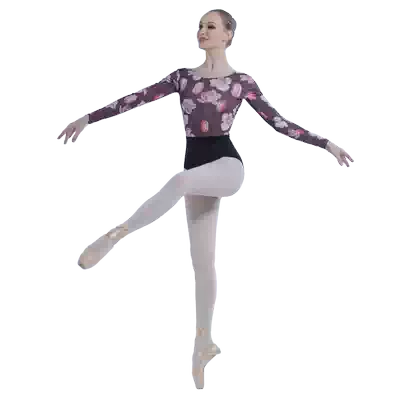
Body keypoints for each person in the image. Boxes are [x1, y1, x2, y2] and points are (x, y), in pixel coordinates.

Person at [58, 8, 354, 391]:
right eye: (200, 26)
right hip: (196, 167)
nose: (203, 31)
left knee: (181, 181)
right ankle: (203, 350)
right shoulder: (182, 78)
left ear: (228, 35)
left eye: (211, 26)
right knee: (204, 266)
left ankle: (111, 239)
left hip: (226, 165)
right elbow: (135, 99)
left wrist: (326, 143)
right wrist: (89, 117)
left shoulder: (241, 83)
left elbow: (279, 123)